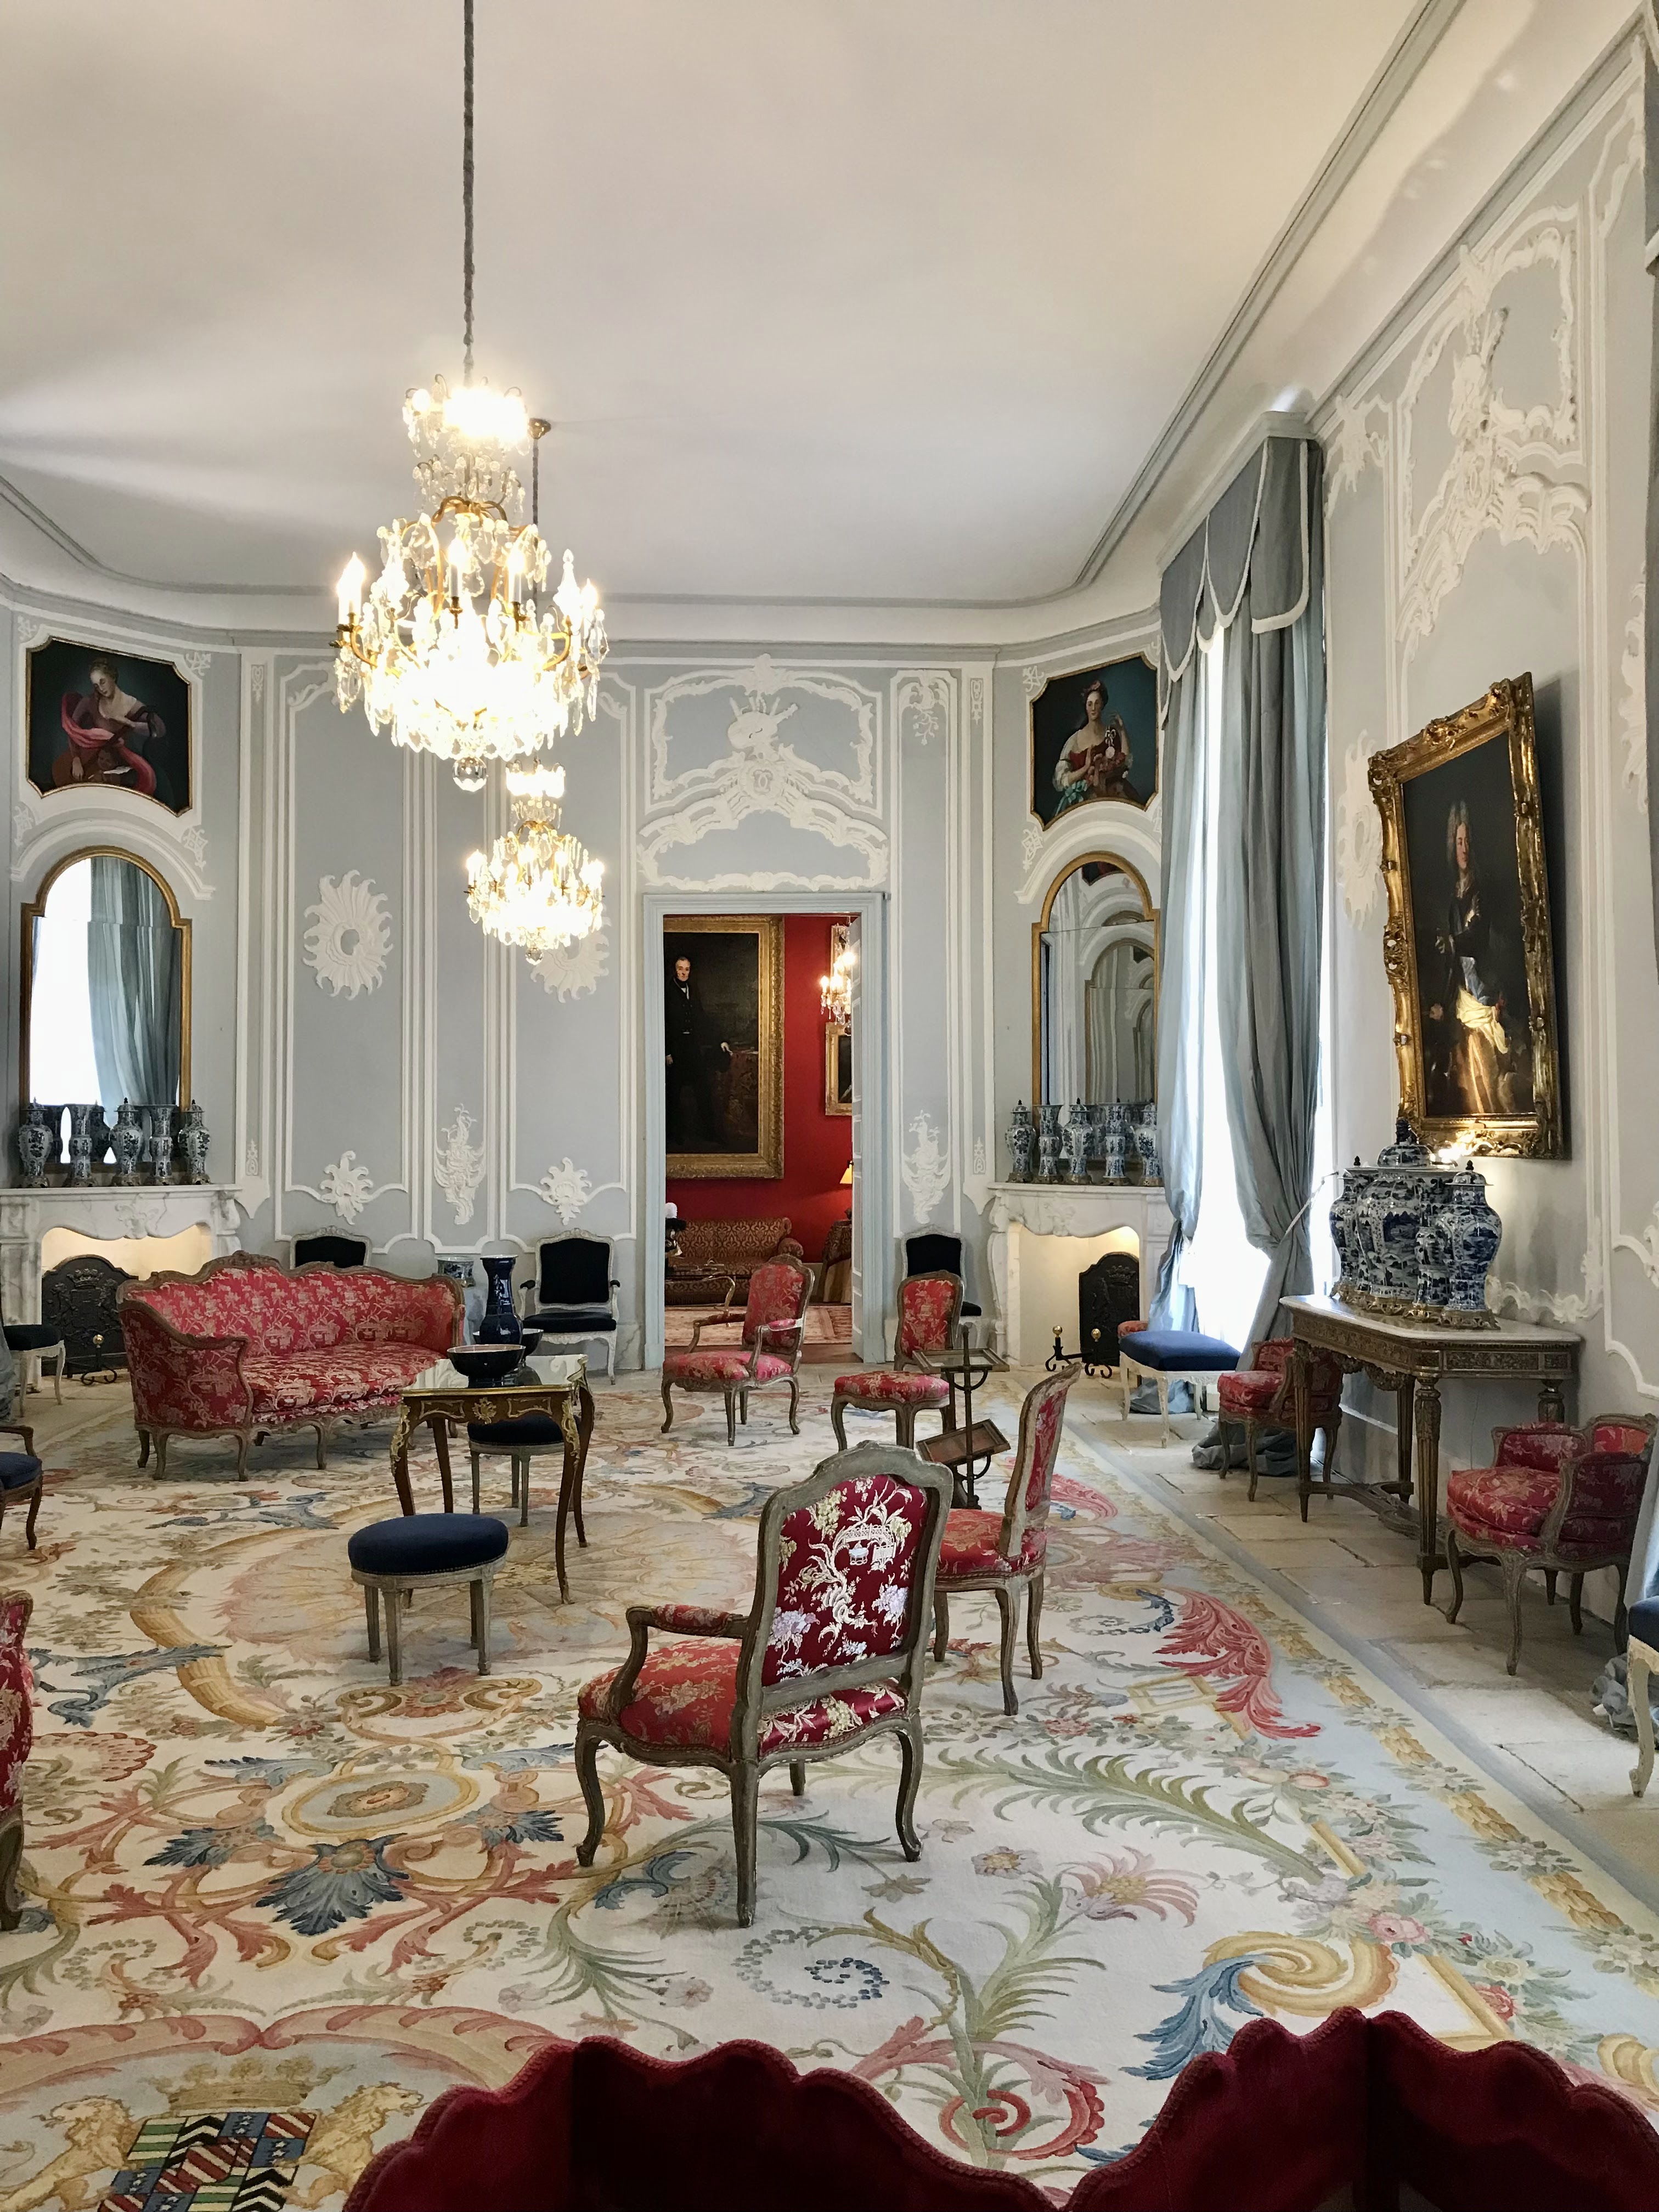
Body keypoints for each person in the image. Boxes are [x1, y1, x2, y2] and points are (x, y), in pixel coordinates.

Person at [1426, 799, 1531, 1116]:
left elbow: (1478, 934)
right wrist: (1442, 1002)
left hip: (1486, 992)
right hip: (1465, 1000)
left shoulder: (1482, 891)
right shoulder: (1453, 899)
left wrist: (1453, 942)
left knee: (1495, 1079)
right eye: (1459, 842)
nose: (1464, 849)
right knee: (1469, 1077)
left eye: (1468, 841)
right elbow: (1452, 964)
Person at [55, 658, 164, 796]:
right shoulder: (89, 702)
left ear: (112, 677)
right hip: (91, 759)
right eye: (96, 686)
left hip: (119, 762)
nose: (101, 689)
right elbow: (74, 731)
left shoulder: (133, 706)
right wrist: (76, 759)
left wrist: (130, 723)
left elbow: (160, 730)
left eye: (103, 682)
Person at [664, 953, 729, 1149]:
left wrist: (720, 1040)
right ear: (675, 970)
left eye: (687, 969)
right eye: (680, 969)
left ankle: (710, 1132)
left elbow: (702, 1018)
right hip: (675, 1048)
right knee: (673, 1093)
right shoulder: (668, 991)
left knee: (704, 1090)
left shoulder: (693, 990)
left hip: (692, 1046)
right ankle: (674, 1136)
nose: (684, 973)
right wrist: (667, 1052)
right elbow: (664, 1023)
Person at [1051, 678, 1135, 817]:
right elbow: (1061, 780)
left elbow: (1125, 763)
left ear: (1102, 705)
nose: (1093, 708)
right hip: (1083, 801)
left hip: (1111, 794)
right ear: (1086, 707)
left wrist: (1122, 731)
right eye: (1090, 704)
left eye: (1097, 703)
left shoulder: (1111, 733)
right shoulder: (1074, 740)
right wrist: (1085, 768)